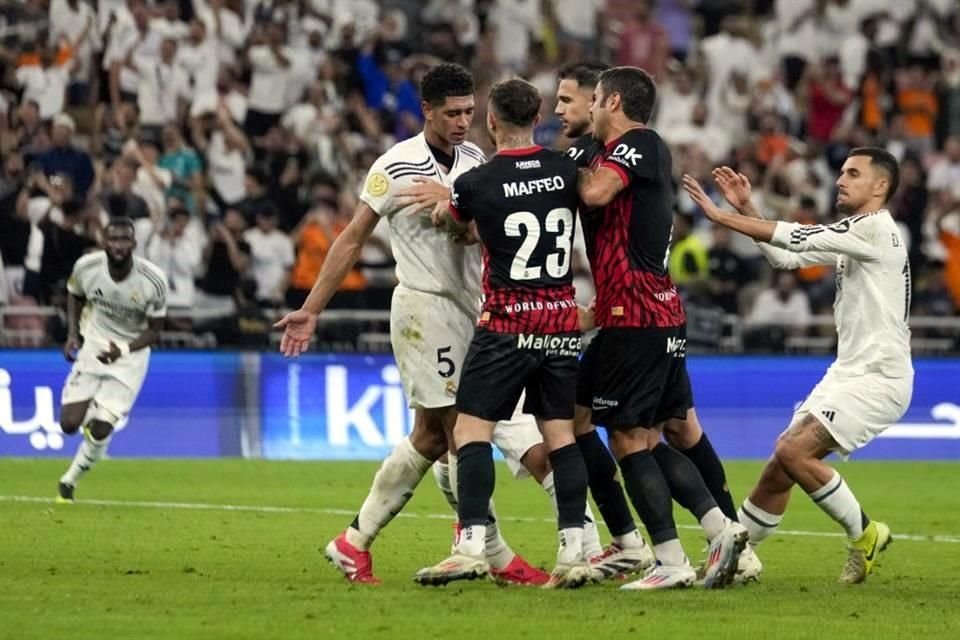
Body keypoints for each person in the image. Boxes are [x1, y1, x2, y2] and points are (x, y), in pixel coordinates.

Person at [274, 64, 580, 586]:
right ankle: (489, 552)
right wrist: (313, 308)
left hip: (476, 307)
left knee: (434, 437)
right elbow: (350, 237)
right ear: (427, 112)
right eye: (452, 113)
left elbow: (487, 229)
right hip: (423, 308)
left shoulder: (475, 159)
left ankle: (356, 541)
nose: (463, 122)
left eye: (468, 111)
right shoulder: (394, 165)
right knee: (458, 430)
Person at [557, 61, 759, 584]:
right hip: (639, 315)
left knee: (630, 441)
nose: (587, 108)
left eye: (593, 99)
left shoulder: (642, 144)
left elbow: (597, 193)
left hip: (636, 316)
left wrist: (556, 168)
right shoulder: (598, 152)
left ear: (613, 103)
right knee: (599, 421)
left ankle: (669, 560)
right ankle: (720, 529)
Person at [682, 149, 913, 584]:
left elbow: (794, 238)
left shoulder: (875, 229)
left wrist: (723, 218)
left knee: (793, 452)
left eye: (853, 173)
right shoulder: (858, 233)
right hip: (850, 371)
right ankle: (732, 561)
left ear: (880, 186)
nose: (840, 179)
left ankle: (865, 534)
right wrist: (748, 210)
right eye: (840, 170)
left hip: (879, 376)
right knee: (779, 468)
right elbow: (786, 258)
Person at [413, 77, 592, 589]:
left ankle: (470, 546)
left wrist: (445, 203)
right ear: (538, 118)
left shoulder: (477, 182)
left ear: (491, 122)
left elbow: (454, 222)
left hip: (508, 322)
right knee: (560, 436)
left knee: (471, 431)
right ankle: (574, 551)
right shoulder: (566, 169)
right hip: (559, 319)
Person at [56, 217, 168, 502]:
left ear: (134, 243)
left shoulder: (152, 281)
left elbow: (155, 331)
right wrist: (72, 334)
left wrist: (124, 350)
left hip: (130, 356)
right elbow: (74, 294)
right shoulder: (87, 267)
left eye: (124, 240)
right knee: (69, 425)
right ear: (104, 242)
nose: (118, 245)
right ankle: (97, 424)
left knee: (101, 427)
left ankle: (70, 480)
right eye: (113, 239)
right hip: (94, 345)